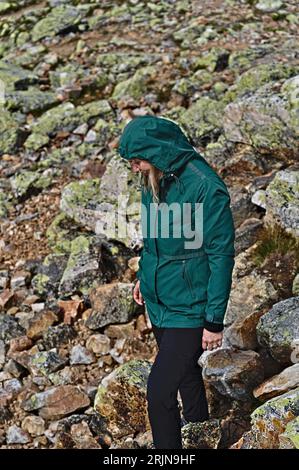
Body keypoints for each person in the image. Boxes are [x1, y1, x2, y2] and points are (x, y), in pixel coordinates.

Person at [118, 115, 235, 449]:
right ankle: (200, 432)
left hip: (190, 308)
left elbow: (221, 257)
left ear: (157, 152)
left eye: (137, 160)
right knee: (184, 376)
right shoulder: (155, 179)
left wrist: (213, 320)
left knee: (158, 392)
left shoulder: (205, 187)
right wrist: (144, 276)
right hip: (159, 301)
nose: (135, 168)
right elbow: (154, 238)